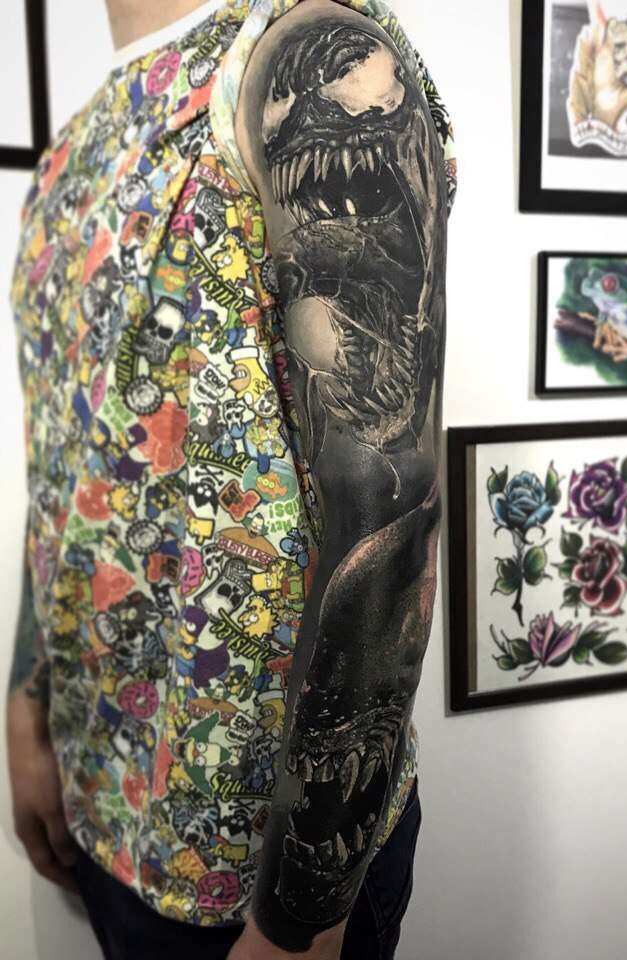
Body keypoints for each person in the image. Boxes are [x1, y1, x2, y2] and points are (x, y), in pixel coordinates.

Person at [6, 0, 456, 957]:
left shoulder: (305, 56)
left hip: (256, 868)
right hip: (104, 799)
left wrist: (303, 917)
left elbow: (390, 498)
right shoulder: (72, 153)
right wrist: (27, 700)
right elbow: (67, 462)